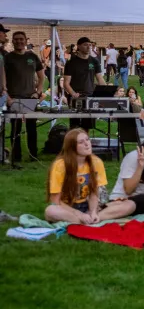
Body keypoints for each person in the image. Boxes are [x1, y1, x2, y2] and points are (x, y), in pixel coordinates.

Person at [44, 129, 135, 224]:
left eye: (87, 140)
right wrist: (79, 214)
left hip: (89, 204)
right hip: (67, 207)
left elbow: (94, 193)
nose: (87, 144)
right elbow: (56, 200)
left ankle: (92, 219)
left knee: (130, 205)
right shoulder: (60, 166)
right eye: (81, 142)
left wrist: (93, 212)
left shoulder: (96, 162)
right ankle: (86, 221)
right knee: (50, 211)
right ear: (72, 147)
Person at [4, 31, 45, 163]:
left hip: (30, 98)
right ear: (12, 41)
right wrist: (8, 98)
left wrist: (38, 92)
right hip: (14, 98)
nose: (19, 41)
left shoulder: (32, 56)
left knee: (32, 128)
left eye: (21, 39)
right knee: (15, 129)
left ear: (26, 41)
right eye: (16, 39)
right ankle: (16, 157)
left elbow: (41, 76)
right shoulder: (8, 58)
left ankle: (33, 156)